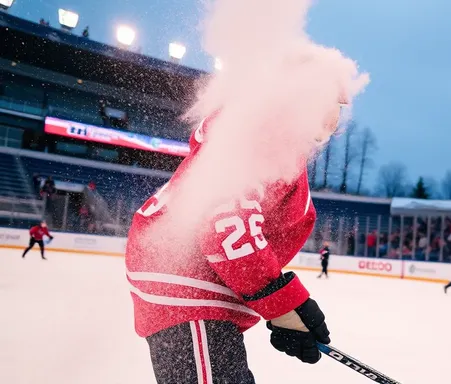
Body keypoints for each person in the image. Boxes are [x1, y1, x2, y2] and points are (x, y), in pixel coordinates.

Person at [126, 101, 346, 383]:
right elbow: (225, 227)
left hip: (193, 287)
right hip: (189, 289)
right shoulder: (266, 134)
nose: (337, 115)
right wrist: (280, 303)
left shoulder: (263, 133)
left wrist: (283, 309)